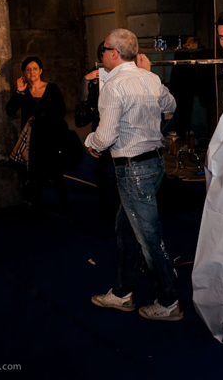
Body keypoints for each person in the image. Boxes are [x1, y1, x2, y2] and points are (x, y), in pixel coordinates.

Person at [86, 29, 182, 321]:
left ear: (114, 54)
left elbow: (105, 136)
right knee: (126, 232)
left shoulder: (113, 87)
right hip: (154, 165)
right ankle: (122, 293)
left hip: (132, 170)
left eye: (104, 49)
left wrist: (90, 142)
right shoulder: (149, 78)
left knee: (149, 238)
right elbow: (171, 106)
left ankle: (169, 301)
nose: (102, 54)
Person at [6, 56, 68, 207]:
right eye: (28, 69)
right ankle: (37, 207)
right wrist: (19, 92)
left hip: (50, 137)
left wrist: (43, 117)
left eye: (34, 68)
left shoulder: (51, 89)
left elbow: (61, 111)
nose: (31, 72)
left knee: (55, 171)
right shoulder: (23, 92)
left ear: (40, 70)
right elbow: (10, 110)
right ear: (24, 74)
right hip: (31, 140)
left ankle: (64, 203)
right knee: (33, 174)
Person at [80, 42, 119, 221]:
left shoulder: (122, 71)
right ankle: (103, 204)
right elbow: (82, 99)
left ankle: (120, 206)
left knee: (119, 168)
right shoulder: (94, 72)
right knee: (101, 168)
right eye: (103, 51)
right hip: (99, 122)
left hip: (119, 124)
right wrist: (86, 80)